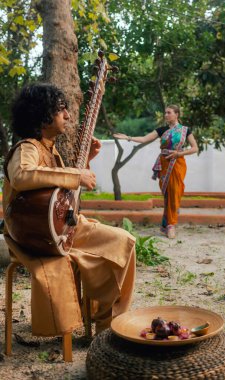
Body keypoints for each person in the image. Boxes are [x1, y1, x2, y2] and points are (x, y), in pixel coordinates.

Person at [3, 83, 136, 337]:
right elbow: (21, 176)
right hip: (34, 236)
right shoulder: (28, 147)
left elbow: (62, 199)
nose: (67, 115)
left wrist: (86, 162)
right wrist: (77, 173)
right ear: (43, 115)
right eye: (61, 109)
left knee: (125, 242)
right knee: (104, 254)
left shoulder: (52, 151)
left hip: (62, 229)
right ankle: (104, 324)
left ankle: (109, 324)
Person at [114, 105, 198, 239]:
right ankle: (168, 225)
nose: (166, 115)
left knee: (175, 192)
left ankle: (170, 225)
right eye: (165, 113)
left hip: (178, 163)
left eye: (169, 113)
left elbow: (195, 148)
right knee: (168, 194)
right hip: (164, 163)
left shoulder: (185, 130)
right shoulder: (162, 130)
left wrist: (179, 153)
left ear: (176, 114)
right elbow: (144, 138)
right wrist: (128, 137)